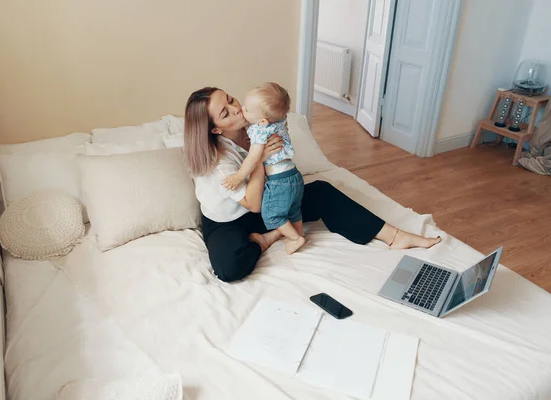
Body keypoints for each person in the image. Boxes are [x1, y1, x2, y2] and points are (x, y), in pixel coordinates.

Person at [184, 87, 441, 283]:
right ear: (216, 130)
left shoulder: (254, 123)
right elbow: (253, 205)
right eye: (225, 113)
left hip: (268, 197)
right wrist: (259, 160)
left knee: (322, 191)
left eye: (230, 99)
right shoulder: (218, 162)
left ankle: (396, 237)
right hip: (233, 218)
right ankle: (269, 238)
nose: (236, 108)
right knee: (229, 268)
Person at [222, 82, 305, 255]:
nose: (241, 108)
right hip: (295, 175)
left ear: (262, 121)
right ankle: (298, 234)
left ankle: (295, 239)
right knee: (294, 210)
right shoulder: (280, 121)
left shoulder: (259, 132)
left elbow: (253, 158)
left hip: (279, 181)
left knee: (272, 215)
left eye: (247, 109)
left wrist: (238, 177)